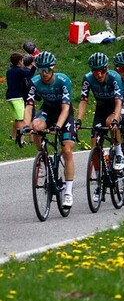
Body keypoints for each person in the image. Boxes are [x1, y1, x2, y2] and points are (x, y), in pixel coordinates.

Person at [22, 52, 77, 208]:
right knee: (36, 126)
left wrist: (58, 126)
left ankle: (68, 192)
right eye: (41, 70)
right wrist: (26, 126)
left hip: (64, 114)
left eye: (47, 69)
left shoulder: (63, 80)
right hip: (47, 110)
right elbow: (29, 106)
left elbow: (66, 108)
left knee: (67, 150)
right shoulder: (35, 82)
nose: (44, 73)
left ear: (53, 69)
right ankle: (43, 157)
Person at [76, 52, 124, 171]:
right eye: (95, 71)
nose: (98, 74)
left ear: (107, 68)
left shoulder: (115, 77)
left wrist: (115, 119)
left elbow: (119, 101)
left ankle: (119, 154)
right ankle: (99, 181)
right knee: (94, 146)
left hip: (116, 107)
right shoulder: (88, 78)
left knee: (110, 122)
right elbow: (83, 101)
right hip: (101, 109)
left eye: (102, 70)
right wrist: (78, 120)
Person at [6, 52, 36, 141]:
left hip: (9, 97)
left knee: (16, 119)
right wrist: (34, 66)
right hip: (17, 98)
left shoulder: (9, 71)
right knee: (22, 119)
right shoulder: (19, 71)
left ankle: (13, 136)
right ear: (20, 61)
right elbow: (29, 75)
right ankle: (21, 140)